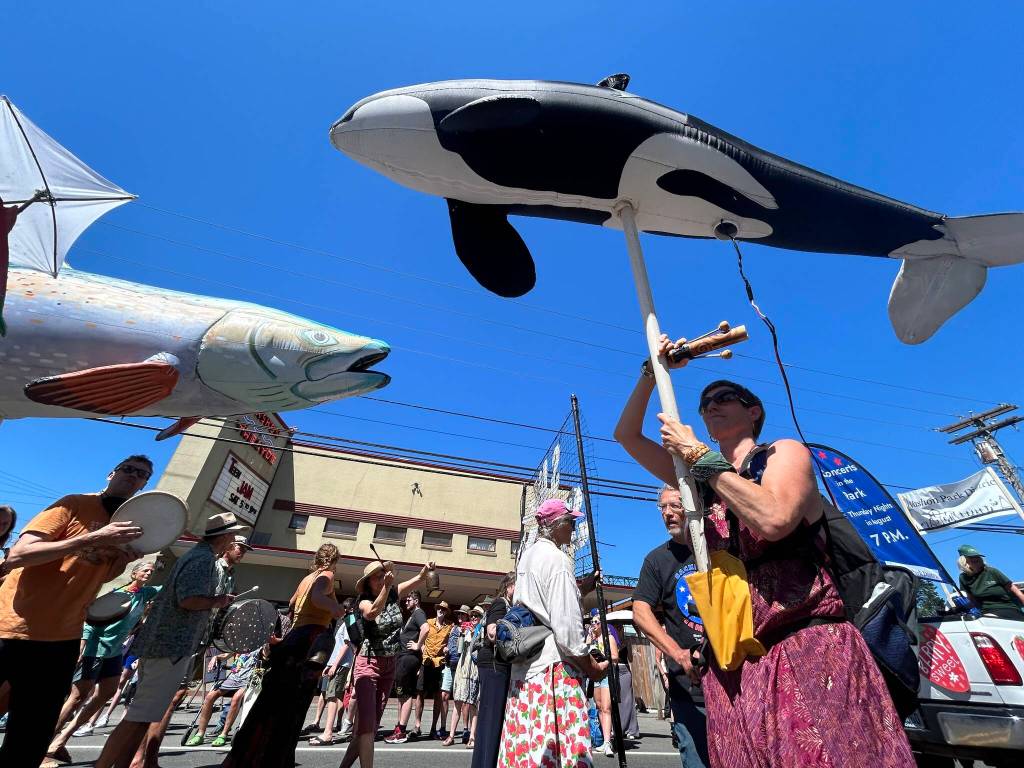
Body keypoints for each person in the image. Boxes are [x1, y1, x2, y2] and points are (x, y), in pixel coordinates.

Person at [615, 340, 916, 768]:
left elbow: (773, 519)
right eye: (704, 404)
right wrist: (651, 371)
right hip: (736, 658)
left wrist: (699, 454)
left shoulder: (782, 453)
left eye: (724, 398)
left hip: (808, 648)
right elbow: (626, 435)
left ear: (753, 411)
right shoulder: (702, 479)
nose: (710, 406)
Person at [0, 454, 151, 766]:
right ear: (111, 473)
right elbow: (19, 555)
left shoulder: (125, 525)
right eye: (128, 469)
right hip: (12, 626)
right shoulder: (74, 503)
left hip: (62, 639)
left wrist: (122, 560)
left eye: (142, 475)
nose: (134, 476)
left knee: (30, 736)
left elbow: (95, 574)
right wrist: (95, 537)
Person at [95, 511, 245, 768]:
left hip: (165, 644)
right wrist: (218, 601)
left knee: (142, 716)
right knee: (139, 716)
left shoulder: (199, 556)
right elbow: (188, 600)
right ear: (227, 536)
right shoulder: (203, 559)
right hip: (170, 645)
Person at [498, 498, 609, 768]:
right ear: (556, 525)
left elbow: (542, 603)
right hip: (553, 671)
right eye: (570, 522)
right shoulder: (559, 560)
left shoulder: (528, 557)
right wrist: (591, 665)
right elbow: (567, 629)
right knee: (560, 748)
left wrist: (581, 588)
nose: (573, 527)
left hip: (526, 668)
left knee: (529, 744)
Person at [222, 543, 347, 767]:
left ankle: (245, 756)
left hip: (294, 638)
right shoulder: (326, 576)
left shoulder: (305, 579)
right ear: (334, 560)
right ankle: (275, 760)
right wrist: (335, 608)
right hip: (311, 641)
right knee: (292, 707)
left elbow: (291, 604)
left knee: (270, 701)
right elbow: (319, 597)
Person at [43, 561, 160, 766]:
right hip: (94, 650)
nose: (149, 573)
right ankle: (42, 747)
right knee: (77, 697)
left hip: (113, 653)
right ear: (134, 573)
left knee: (106, 693)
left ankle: (61, 740)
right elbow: (91, 619)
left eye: (151, 570)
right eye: (145, 570)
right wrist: (82, 645)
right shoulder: (118, 594)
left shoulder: (144, 594)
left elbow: (166, 589)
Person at [625, 484, 710, 768]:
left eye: (675, 505)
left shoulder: (719, 545)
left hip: (734, 678)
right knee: (696, 759)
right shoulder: (657, 560)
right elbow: (640, 610)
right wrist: (678, 653)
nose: (668, 513)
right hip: (689, 684)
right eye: (663, 507)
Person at [338, 557, 435, 768]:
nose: (382, 579)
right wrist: (388, 587)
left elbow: (418, 578)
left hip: (389, 665)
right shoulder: (362, 601)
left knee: (368, 726)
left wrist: (425, 570)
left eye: (383, 575)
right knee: (367, 728)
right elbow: (373, 612)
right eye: (377, 578)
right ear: (367, 583)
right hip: (368, 663)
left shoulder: (392, 592)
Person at [471, 572, 514, 768]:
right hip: (494, 665)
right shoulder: (501, 603)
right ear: (509, 586)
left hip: (497, 666)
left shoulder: (509, 605)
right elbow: (492, 632)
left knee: (492, 717)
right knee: (491, 718)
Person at [185, 651, 258, 746]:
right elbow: (226, 655)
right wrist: (216, 657)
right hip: (234, 677)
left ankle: (223, 733)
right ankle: (200, 733)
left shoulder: (260, 644)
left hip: (249, 679)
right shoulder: (241, 643)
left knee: (236, 699)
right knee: (209, 697)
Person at [308, 598, 356, 746]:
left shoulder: (349, 620)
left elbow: (346, 645)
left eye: (343, 609)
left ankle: (328, 733)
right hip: (337, 663)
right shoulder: (346, 621)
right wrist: (330, 664)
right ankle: (333, 728)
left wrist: (334, 665)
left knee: (332, 696)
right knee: (335, 696)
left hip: (340, 664)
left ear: (348, 609)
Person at [0, 189, 47, 336]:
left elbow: (17, 211)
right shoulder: (4, 216)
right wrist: (35, 198)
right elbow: (18, 211)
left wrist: (34, 198)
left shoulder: (3, 216)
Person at [384, 590, 428, 744]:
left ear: (416, 600)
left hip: (408, 657)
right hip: (403, 657)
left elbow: (426, 629)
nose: (406, 602)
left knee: (406, 694)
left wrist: (418, 645)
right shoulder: (411, 616)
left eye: (409, 599)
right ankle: (399, 728)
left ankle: (401, 732)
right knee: (401, 693)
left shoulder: (418, 613)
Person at [586, 611, 621, 758]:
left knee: (606, 707)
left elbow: (615, 657)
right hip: (596, 675)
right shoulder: (593, 639)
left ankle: (608, 742)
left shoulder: (609, 638)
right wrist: (589, 639)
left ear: (602, 624)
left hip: (607, 674)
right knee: (599, 706)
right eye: (592, 622)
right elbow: (585, 652)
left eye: (597, 622)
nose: (594, 624)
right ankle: (604, 739)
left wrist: (603, 657)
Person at [957, 544, 1024, 620]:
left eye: (977, 557)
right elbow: (972, 600)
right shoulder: (963, 578)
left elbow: (1014, 589)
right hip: (986, 612)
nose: (976, 559)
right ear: (964, 561)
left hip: (1008, 608)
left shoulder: (991, 571)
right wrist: (959, 610)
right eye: (972, 557)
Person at [419, 600, 455, 738]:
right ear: (436, 610)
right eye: (439, 608)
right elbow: (421, 639)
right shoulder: (427, 623)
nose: (441, 610)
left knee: (438, 696)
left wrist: (447, 649)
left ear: (446, 612)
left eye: (444, 609)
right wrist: (422, 650)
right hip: (426, 662)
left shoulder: (450, 627)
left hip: (439, 663)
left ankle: (434, 728)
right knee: (420, 693)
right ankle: (417, 726)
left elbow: (452, 641)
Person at [449, 605, 483, 748]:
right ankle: (451, 735)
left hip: (474, 668)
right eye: (472, 616)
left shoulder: (482, 631)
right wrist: (463, 634)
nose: (473, 618)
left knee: (473, 703)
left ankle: (473, 736)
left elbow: (480, 650)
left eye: (476, 616)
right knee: (457, 700)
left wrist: (474, 635)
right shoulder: (466, 631)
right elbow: (458, 650)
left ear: (481, 618)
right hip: (462, 667)